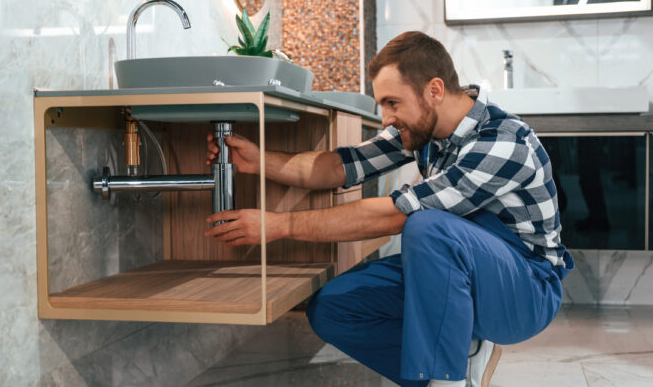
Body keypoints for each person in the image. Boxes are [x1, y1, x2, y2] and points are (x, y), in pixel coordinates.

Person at [204, 31, 574, 387]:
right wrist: (259, 161)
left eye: (392, 103)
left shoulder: (503, 142)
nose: (385, 118)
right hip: (463, 268)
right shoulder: (427, 131)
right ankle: (461, 353)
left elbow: (397, 215)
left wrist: (278, 225)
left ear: (434, 91)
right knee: (332, 309)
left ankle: (447, 378)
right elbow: (340, 166)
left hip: (526, 289)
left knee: (426, 226)